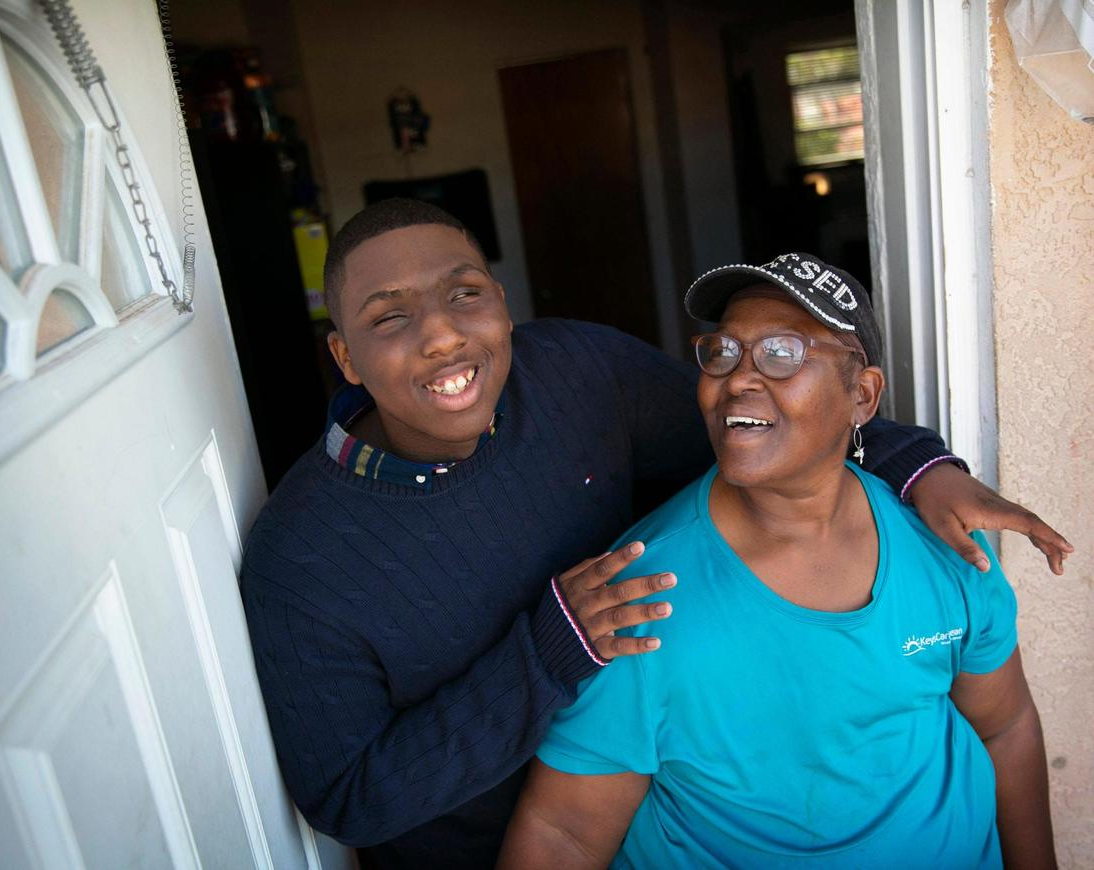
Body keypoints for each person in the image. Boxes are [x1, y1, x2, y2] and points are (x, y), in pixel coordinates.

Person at [239, 201, 1069, 869]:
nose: (444, 334)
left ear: (501, 301)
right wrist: (548, 654)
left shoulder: (574, 375)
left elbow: (765, 423)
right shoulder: (302, 558)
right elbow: (350, 798)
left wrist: (927, 469)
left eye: (465, 294)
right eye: (391, 318)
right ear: (345, 358)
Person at [499, 254, 1056, 869]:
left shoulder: (944, 546)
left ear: (862, 395)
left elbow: (1005, 728)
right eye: (722, 352)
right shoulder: (638, 593)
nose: (738, 378)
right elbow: (565, 831)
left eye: (783, 352)